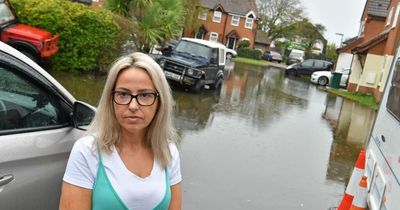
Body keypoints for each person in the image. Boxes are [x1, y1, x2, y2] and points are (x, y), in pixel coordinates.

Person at [59, 52, 182, 210]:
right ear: (110, 100)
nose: (132, 106)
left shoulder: (168, 152)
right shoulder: (88, 151)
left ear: (160, 102)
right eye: (123, 94)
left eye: (145, 95)